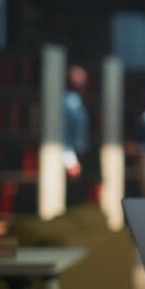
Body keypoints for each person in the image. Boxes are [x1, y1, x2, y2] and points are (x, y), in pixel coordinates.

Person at [62, 65, 91, 207]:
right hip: (72, 157)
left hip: (78, 154)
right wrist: (70, 160)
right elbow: (64, 132)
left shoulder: (76, 101)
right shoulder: (70, 103)